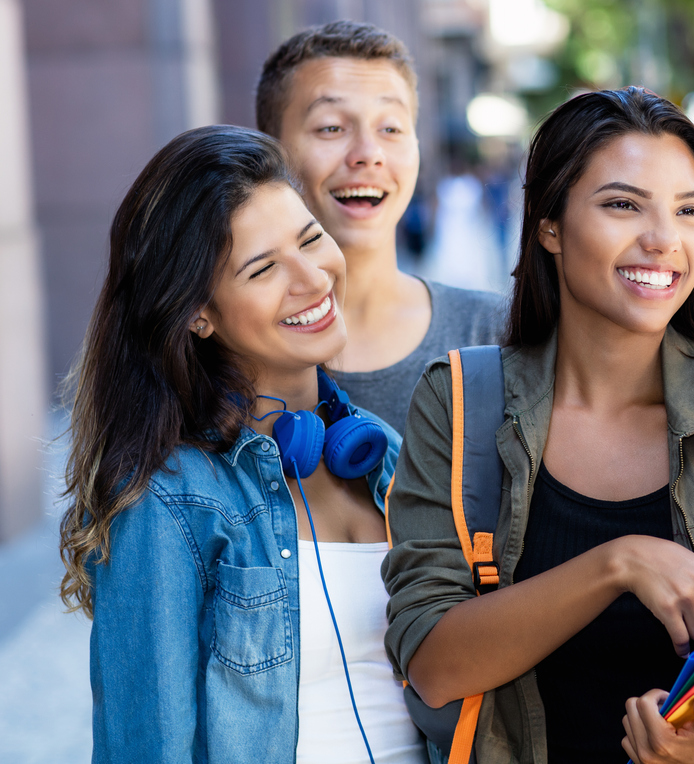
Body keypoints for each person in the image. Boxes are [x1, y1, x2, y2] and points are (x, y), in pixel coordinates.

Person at [382, 87, 694, 764]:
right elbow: (433, 666)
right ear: (549, 225)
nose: (663, 239)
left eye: (690, 211)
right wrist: (619, 564)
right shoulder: (463, 402)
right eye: (623, 204)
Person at [59, 125, 422, 763]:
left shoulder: (384, 454)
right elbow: (144, 747)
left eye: (311, 238)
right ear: (197, 313)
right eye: (263, 269)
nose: (313, 277)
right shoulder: (166, 500)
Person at [257, 20, 503, 435]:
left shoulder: (495, 333)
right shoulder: (228, 354)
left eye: (390, 128)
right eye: (331, 127)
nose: (368, 154)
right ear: (269, 152)